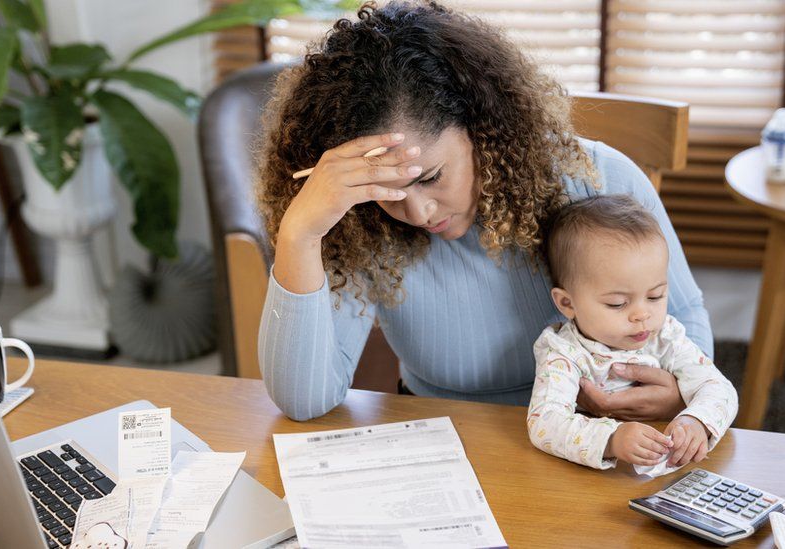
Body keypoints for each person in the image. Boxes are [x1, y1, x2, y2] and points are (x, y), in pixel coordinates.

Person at [256, 1, 713, 421]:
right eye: (385, 191)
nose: (416, 212)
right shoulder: (358, 219)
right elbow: (304, 401)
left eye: (430, 177)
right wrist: (300, 234)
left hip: (595, 436)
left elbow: (685, 321)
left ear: (481, 129)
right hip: (447, 434)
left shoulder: (602, 178)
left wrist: (680, 392)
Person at [527, 196, 738, 471]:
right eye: (618, 303)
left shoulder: (665, 336)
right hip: (586, 474)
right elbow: (544, 422)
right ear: (567, 303)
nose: (642, 315)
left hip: (666, 467)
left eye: (655, 296)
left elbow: (719, 388)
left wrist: (696, 420)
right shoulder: (563, 351)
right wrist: (612, 440)